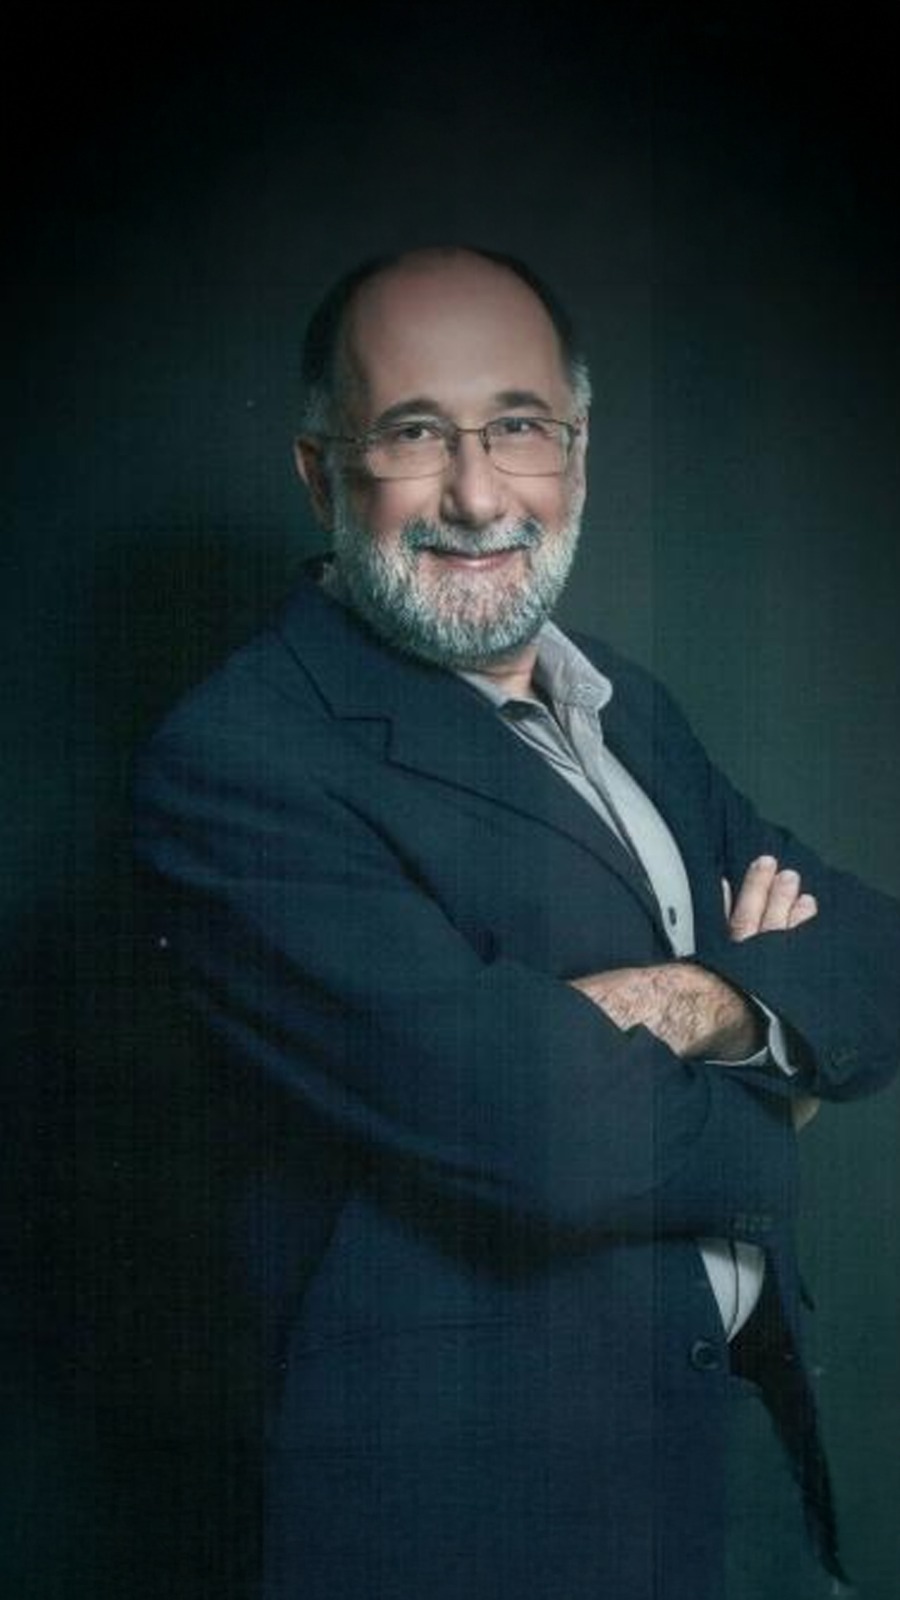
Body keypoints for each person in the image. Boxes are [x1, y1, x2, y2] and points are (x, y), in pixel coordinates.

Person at [133, 245, 900, 1599]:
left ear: (578, 454)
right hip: (488, 1528)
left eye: (518, 427)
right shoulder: (239, 758)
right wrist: (773, 1082)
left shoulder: (626, 708)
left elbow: (875, 953)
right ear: (320, 471)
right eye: (413, 433)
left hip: (739, 1474)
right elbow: (547, 1141)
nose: (478, 494)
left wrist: (685, 1001)